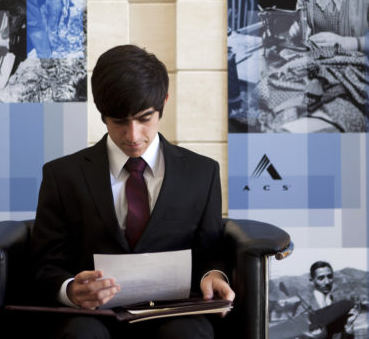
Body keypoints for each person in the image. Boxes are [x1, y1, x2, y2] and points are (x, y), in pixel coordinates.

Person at [30, 45, 235, 339]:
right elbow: (46, 263)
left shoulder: (202, 173)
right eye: (119, 121)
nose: (133, 135)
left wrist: (212, 275)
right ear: (102, 114)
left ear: (164, 102)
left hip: (175, 312)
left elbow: (211, 252)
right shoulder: (62, 176)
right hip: (91, 316)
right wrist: (70, 289)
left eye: (144, 118)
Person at [302, 261, 356, 339]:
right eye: (321, 278)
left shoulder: (340, 306)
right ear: (312, 281)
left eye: (329, 277)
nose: (327, 282)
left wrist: (348, 329)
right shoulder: (303, 306)